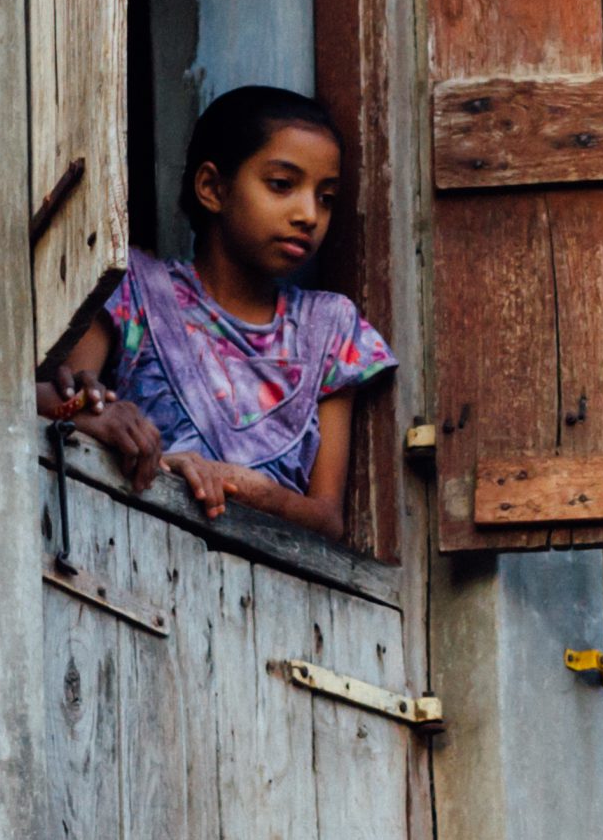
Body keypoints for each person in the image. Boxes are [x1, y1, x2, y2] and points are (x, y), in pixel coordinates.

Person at [36, 87, 396, 542]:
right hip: (128, 553)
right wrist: (155, 458)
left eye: (325, 197)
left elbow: (327, 519)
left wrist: (255, 492)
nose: (309, 214)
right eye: (282, 185)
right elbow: (71, 409)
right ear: (212, 188)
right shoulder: (134, 290)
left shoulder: (329, 329)